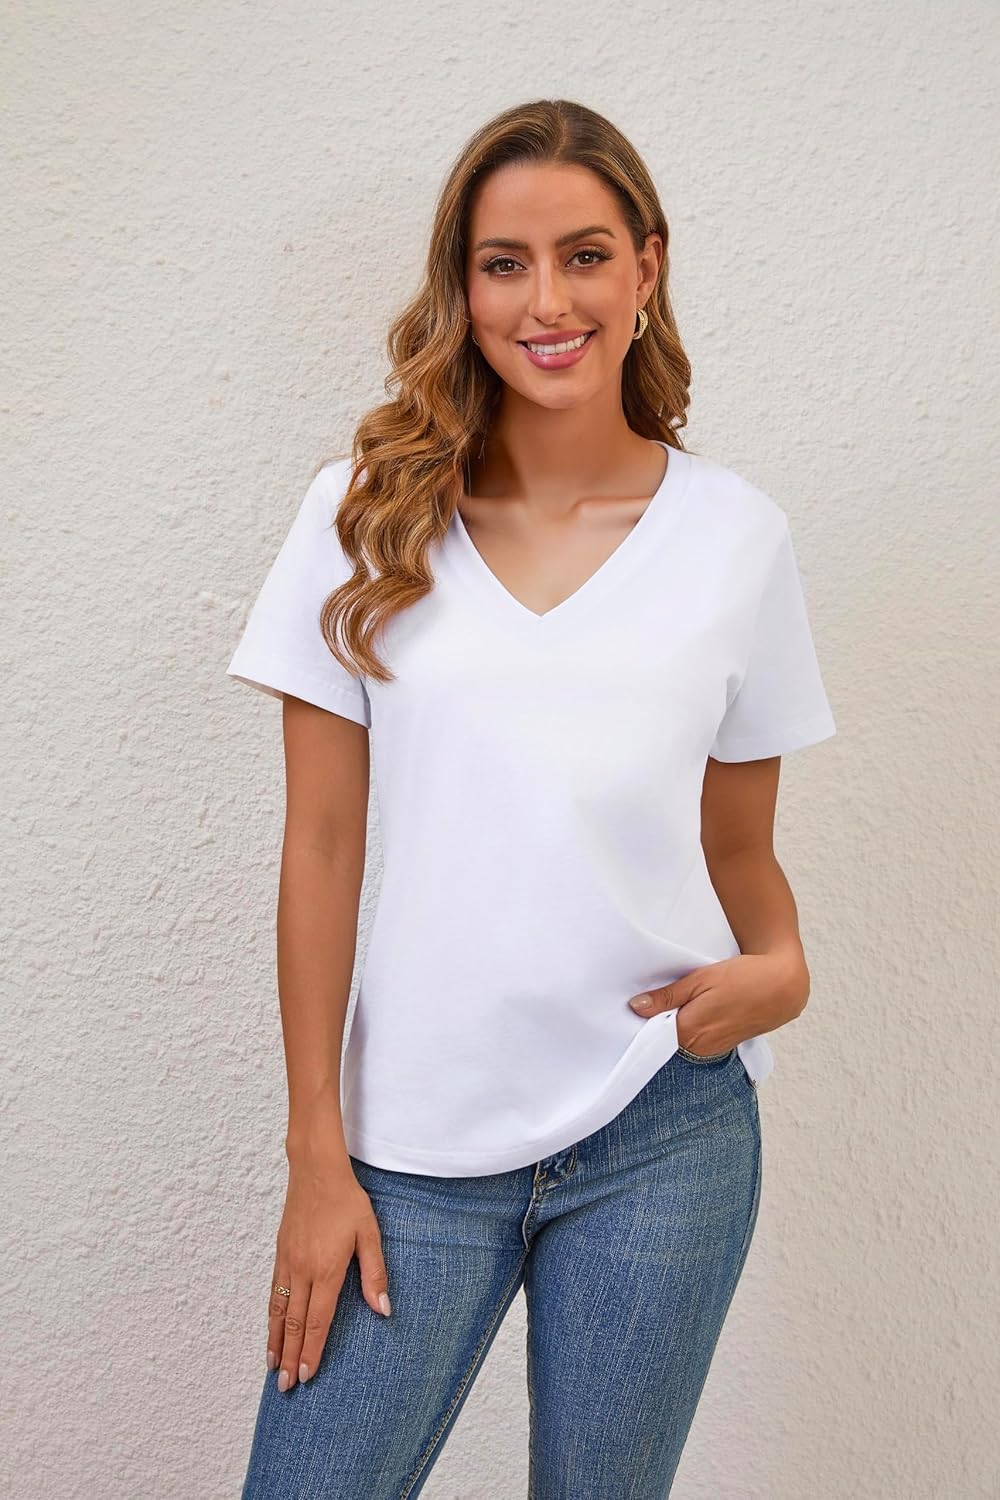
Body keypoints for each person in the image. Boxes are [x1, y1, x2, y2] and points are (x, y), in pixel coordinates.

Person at [227, 98, 837, 1499]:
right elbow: (321, 846)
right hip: (407, 1143)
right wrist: (318, 1153)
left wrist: (786, 967)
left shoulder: (736, 539)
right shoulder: (362, 516)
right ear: (464, 286)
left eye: (585, 256)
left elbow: (740, 850)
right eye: (505, 263)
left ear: (647, 268)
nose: (546, 302)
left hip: (662, 1127)